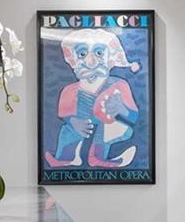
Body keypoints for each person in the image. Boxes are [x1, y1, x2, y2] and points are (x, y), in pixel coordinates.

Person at [44, 27, 141, 169]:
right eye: (82, 53)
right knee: (67, 130)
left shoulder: (119, 85)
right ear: (73, 60)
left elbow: (133, 115)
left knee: (112, 127)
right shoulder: (70, 90)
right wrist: (73, 121)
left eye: (99, 52)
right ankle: (65, 158)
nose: (91, 61)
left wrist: (122, 110)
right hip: (82, 125)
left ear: (111, 58)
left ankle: (98, 157)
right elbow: (65, 114)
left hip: (109, 123)